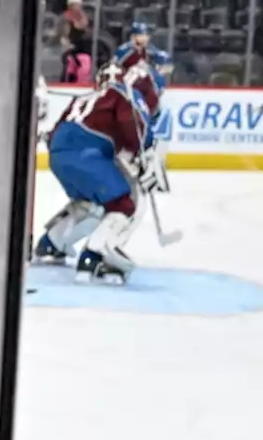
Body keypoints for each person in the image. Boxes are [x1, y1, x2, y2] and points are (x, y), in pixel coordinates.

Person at [35, 56, 168, 284]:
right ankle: (95, 256)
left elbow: (59, 132)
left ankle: (52, 244)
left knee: (89, 201)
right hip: (87, 154)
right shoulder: (125, 94)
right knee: (123, 204)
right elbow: (133, 130)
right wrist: (143, 156)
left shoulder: (86, 97)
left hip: (58, 155)